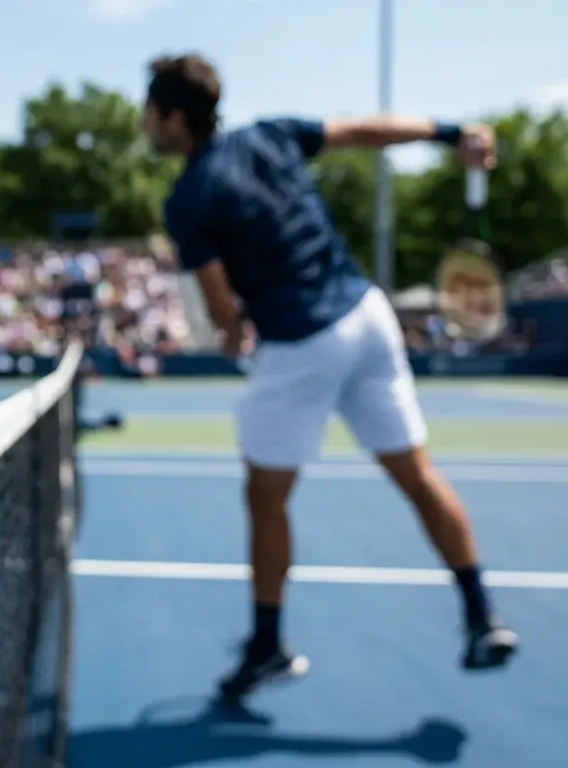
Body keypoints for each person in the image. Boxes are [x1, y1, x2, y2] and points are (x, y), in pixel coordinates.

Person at [141, 53, 519, 702]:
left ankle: (266, 647)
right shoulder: (273, 133)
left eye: (150, 112)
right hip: (369, 319)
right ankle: (483, 617)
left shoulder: (189, 199)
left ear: (175, 118)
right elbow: (369, 131)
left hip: (300, 344)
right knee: (419, 476)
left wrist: (232, 334)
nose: (145, 123)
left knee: (265, 498)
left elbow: (223, 308)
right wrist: (453, 133)